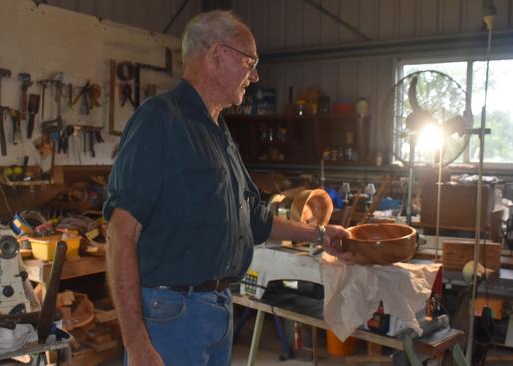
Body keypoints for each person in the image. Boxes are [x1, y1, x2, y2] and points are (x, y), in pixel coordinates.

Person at [104, 10, 350, 366]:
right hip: (172, 311)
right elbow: (120, 234)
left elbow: (253, 219)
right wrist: (137, 343)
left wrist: (319, 234)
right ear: (217, 55)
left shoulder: (218, 130)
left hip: (217, 307)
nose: (255, 75)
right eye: (250, 61)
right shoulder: (160, 120)